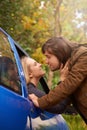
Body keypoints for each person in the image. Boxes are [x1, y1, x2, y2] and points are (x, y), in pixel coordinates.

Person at [29, 36, 87, 124]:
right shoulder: (70, 67)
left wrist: (41, 102)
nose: (46, 61)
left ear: (59, 53)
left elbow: (71, 83)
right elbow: (64, 98)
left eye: (48, 57)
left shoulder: (83, 56)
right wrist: (63, 80)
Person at [21, 56, 70, 130]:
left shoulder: (30, 90)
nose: (40, 64)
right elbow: (59, 107)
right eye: (35, 64)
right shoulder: (32, 92)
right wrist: (63, 80)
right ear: (30, 74)